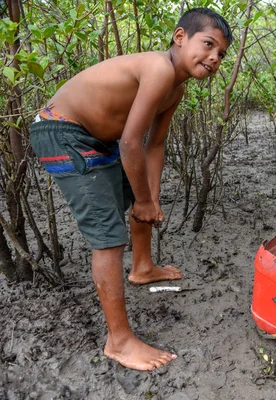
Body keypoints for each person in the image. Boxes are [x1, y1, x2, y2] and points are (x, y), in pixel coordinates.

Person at [29, 8, 232, 371]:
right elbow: (130, 143)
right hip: (62, 130)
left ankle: (142, 267)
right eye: (208, 44)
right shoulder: (159, 68)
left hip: (96, 139)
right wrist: (142, 199)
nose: (214, 58)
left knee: (140, 198)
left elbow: (154, 145)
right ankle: (119, 342)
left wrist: (150, 201)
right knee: (108, 234)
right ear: (180, 36)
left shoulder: (177, 89)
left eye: (221, 54)